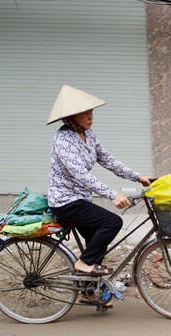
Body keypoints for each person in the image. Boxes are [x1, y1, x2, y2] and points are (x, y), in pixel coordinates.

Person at [46, 84, 151, 277]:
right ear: (71, 117)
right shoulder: (63, 140)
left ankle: (87, 289)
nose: (90, 117)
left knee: (97, 239)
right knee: (111, 223)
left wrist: (137, 176)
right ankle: (84, 263)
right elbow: (81, 175)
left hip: (81, 199)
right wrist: (112, 194)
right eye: (85, 113)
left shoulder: (89, 135)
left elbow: (108, 160)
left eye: (91, 112)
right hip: (65, 201)